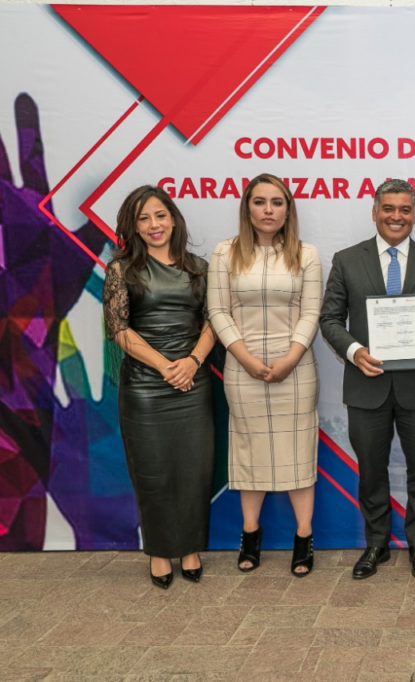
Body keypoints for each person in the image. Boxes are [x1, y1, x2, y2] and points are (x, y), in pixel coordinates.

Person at [320, 179, 415, 581]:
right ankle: (376, 544)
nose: (396, 216)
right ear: (375, 211)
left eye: (405, 210)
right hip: (366, 386)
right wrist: (354, 351)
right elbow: (330, 319)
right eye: (389, 208)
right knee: (371, 471)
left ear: (414, 214)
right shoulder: (347, 260)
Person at [207, 174, 322, 578]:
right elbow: (218, 311)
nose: (268, 210)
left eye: (277, 202)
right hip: (243, 369)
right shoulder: (225, 252)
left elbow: (311, 312)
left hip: (296, 369)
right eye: (259, 202)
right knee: (249, 450)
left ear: (288, 209)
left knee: (298, 451)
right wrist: (245, 358)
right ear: (247, 208)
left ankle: (304, 537)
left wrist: (290, 358)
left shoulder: (307, 254)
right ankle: (250, 534)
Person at [102, 185, 216, 588]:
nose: (154, 224)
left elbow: (213, 322)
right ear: (133, 227)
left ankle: (190, 549)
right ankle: (159, 552)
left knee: (194, 471)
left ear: (173, 219)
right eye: (144, 218)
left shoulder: (199, 267)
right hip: (145, 388)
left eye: (160, 215)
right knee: (152, 473)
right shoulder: (120, 270)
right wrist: (166, 366)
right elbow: (119, 329)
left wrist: (192, 362)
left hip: (192, 383)